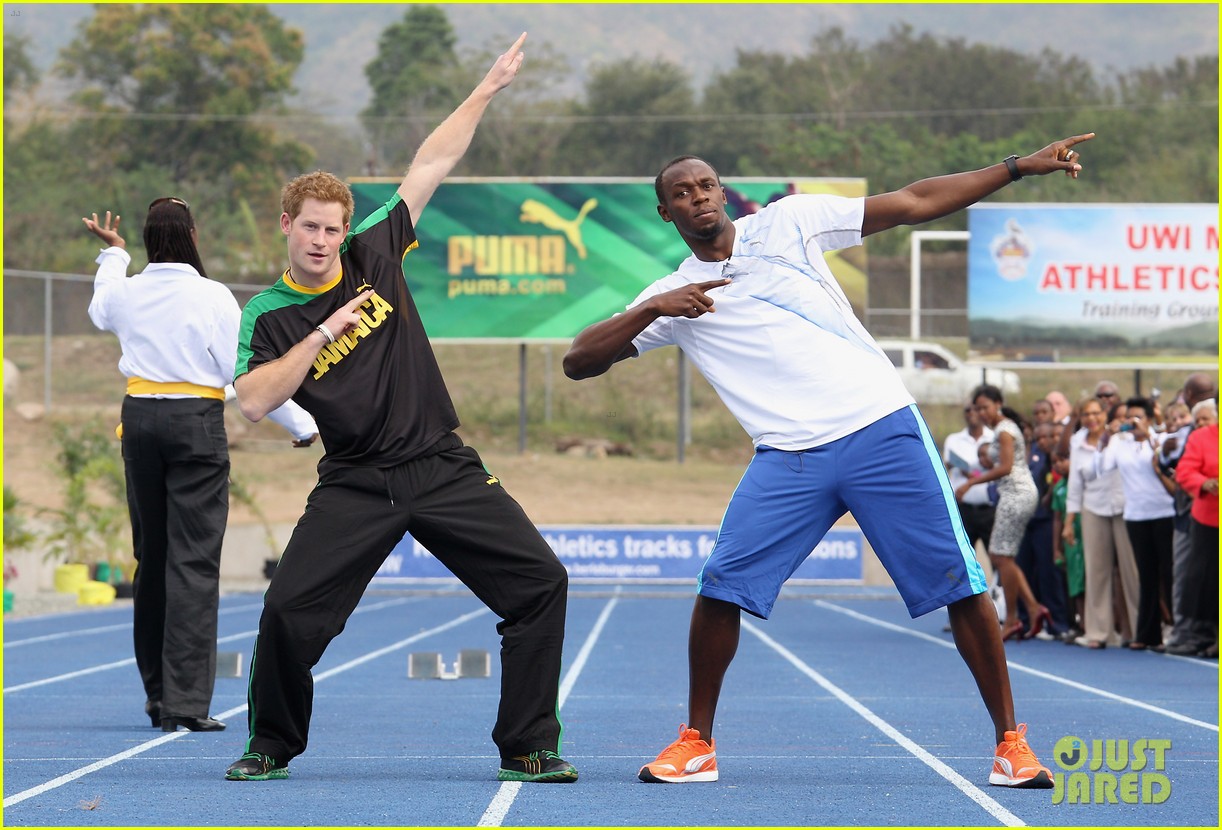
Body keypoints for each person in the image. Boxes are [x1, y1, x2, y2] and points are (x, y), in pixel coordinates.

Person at [563, 134, 1095, 787]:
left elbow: (914, 201)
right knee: (720, 585)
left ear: (722, 190)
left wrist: (1017, 167)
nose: (698, 198)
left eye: (706, 186)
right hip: (788, 456)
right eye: (682, 194)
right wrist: (650, 309)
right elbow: (578, 361)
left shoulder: (788, 222)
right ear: (665, 213)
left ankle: (1011, 743)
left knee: (961, 584)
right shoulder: (675, 295)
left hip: (878, 428)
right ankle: (696, 742)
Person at [224, 34, 577, 784]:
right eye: (309, 226)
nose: (321, 240)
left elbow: (432, 162)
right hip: (355, 482)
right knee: (286, 613)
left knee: (541, 583)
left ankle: (528, 744)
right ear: (284, 226)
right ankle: (270, 743)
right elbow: (253, 403)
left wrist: (486, 88)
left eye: (331, 227)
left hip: (440, 465)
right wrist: (325, 328)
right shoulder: (268, 314)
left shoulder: (373, 251)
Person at [84, 198, 318, 734]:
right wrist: (301, 425)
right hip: (195, 423)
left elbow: (102, 307)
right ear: (192, 233)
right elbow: (244, 375)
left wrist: (114, 256)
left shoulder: (127, 288)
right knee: (192, 562)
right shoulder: (212, 296)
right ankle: (185, 704)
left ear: (146, 238)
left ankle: (156, 696)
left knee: (153, 558)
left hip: (139, 421)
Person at [958, 387, 1049, 642]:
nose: (981, 413)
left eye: (985, 407)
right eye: (978, 409)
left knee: (1001, 557)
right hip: (1015, 492)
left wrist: (971, 484)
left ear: (998, 403)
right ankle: (1031, 607)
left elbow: (1007, 467)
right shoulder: (1004, 429)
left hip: (1016, 494)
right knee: (1002, 556)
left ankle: (1012, 619)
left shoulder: (1004, 429)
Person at [1094, 397, 1175, 650]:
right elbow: (1101, 467)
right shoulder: (1120, 444)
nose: (1132, 421)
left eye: (1138, 416)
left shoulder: (1159, 439)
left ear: (1150, 418)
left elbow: (1167, 462)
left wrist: (1148, 435)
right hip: (1136, 516)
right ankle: (1148, 634)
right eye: (1128, 416)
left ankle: (1178, 630)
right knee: (1147, 575)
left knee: (1170, 573)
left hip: (1164, 512)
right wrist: (1107, 437)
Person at [1171, 401, 1218, 658]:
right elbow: (1185, 471)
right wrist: (1205, 482)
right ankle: (1210, 637)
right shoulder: (1201, 437)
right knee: (1208, 583)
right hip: (1209, 520)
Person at [943, 403, 996, 558]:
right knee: (962, 557)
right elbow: (948, 463)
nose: (971, 413)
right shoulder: (954, 439)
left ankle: (998, 583)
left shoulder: (994, 437)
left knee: (996, 559)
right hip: (963, 508)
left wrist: (974, 474)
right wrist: (966, 470)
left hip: (989, 508)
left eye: (976, 409)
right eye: (967, 410)